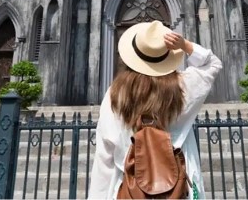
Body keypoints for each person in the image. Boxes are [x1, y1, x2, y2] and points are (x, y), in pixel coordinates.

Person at [87, 20, 223, 199]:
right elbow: (212, 64)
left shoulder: (115, 95)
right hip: (177, 189)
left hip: (129, 189)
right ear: (167, 57)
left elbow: (104, 157)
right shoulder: (183, 88)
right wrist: (184, 45)